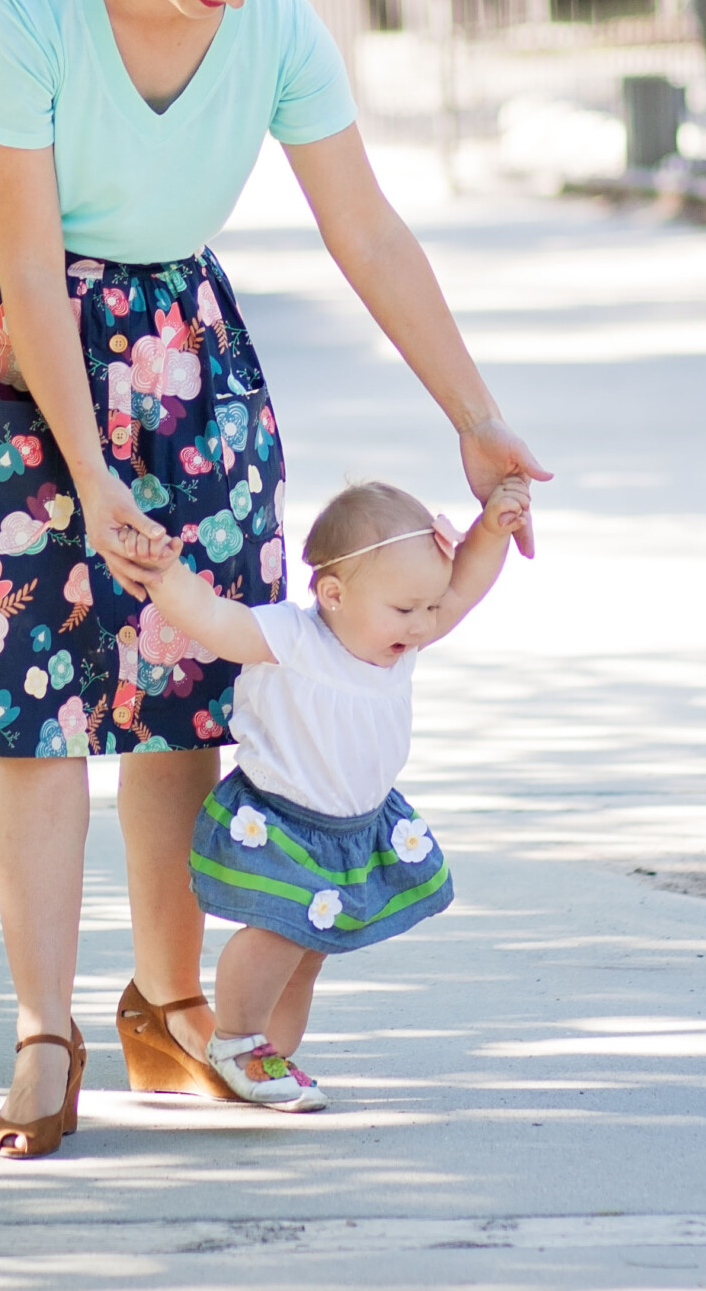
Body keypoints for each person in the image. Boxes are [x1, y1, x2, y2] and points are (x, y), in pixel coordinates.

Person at [0, 0, 551, 1160]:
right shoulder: (27, 7)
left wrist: (474, 413)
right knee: (36, 707)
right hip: (16, 353)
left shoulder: (272, 21)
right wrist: (89, 472)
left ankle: (170, 1003)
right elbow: (23, 259)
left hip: (183, 355)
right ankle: (42, 1031)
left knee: (189, 694)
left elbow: (363, 227)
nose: (234, 0)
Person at [145, 475, 529, 1111]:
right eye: (406, 610)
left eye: (427, 608)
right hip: (281, 822)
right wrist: (165, 576)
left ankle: (271, 1049)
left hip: (353, 829)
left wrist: (491, 531)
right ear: (334, 594)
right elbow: (215, 621)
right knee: (279, 934)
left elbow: (463, 590)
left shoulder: (398, 644)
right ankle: (234, 1038)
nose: (425, 624)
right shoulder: (296, 639)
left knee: (311, 948)